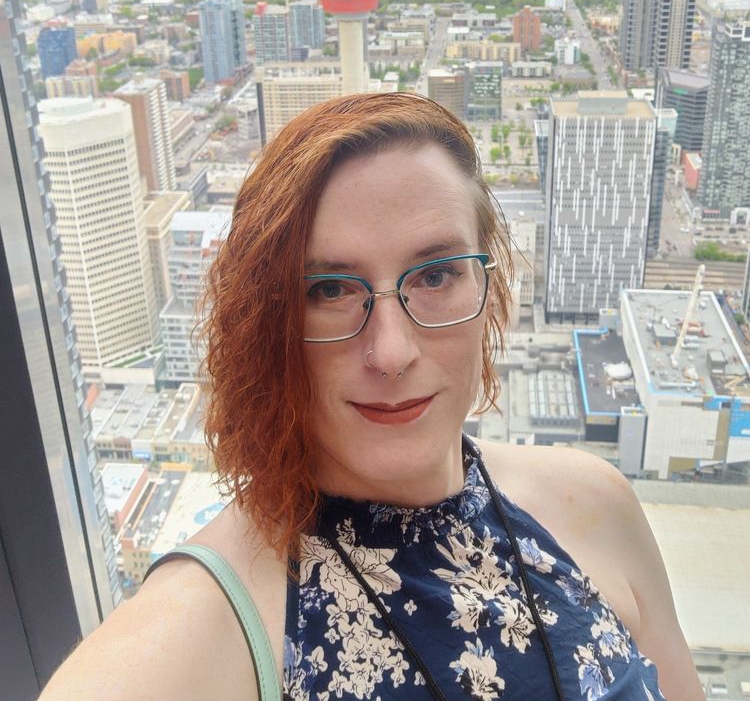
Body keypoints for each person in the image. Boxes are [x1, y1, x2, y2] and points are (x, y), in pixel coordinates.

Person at [42, 93, 703, 700]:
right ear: (267, 325)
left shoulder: (592, 504)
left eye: (437, 274)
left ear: (492, 293)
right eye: (329, 290)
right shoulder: (212, 627)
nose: (391, 352)